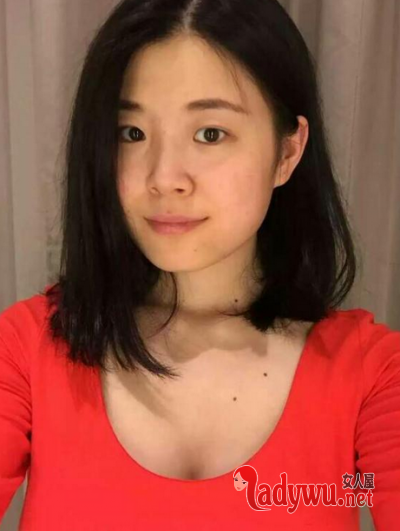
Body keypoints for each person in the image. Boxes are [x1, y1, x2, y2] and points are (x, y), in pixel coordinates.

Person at [0, 0, 399, 529]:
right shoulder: (26, 351)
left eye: (210, 133)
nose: (164, 178)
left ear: (287, 153)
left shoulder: (372, 375)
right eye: (132, 133)